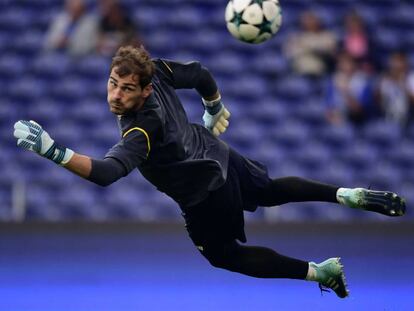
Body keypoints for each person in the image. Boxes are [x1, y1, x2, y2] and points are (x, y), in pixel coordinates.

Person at [13, 46, 406, 299]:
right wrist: (215, 107)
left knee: (225, 257)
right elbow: (200, 72)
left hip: (203, 193)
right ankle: (346, 194)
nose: (116, 95)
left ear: (145, 91)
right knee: (268, 191)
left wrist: (52, 150)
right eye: (113, 84)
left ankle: (319, 272)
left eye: (127, 89)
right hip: (215, 151)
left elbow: (105, 173)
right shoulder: (159, 71)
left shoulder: (140, 128)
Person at [325, 52, 376, 125]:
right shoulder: (334, 80)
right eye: (340, 63)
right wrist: (332, 118)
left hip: (357, 122)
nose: (342, 66)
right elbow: (328, 107)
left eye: (346, 63)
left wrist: (345, 92)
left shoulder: (363, 82)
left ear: (354, 65)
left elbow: (358, 110)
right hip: (337, 120)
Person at [284, 10, 337, 77]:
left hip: (320, 72)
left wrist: (308, 47)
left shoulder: (327, 36)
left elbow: (330, 51)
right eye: (307, 20)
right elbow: (290, 53)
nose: (310, 22)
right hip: (301, 73)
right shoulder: (297, 37)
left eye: (312, 19)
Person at [376, 51, 414, 128]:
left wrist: (403, 85)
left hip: (409, 119)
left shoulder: (411, 78)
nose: (396, 65)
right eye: (394, 61)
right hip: (388, 117)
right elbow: (378, 102)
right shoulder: (385, 79)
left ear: (405, 63)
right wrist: (380, 86)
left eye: (399, 61)